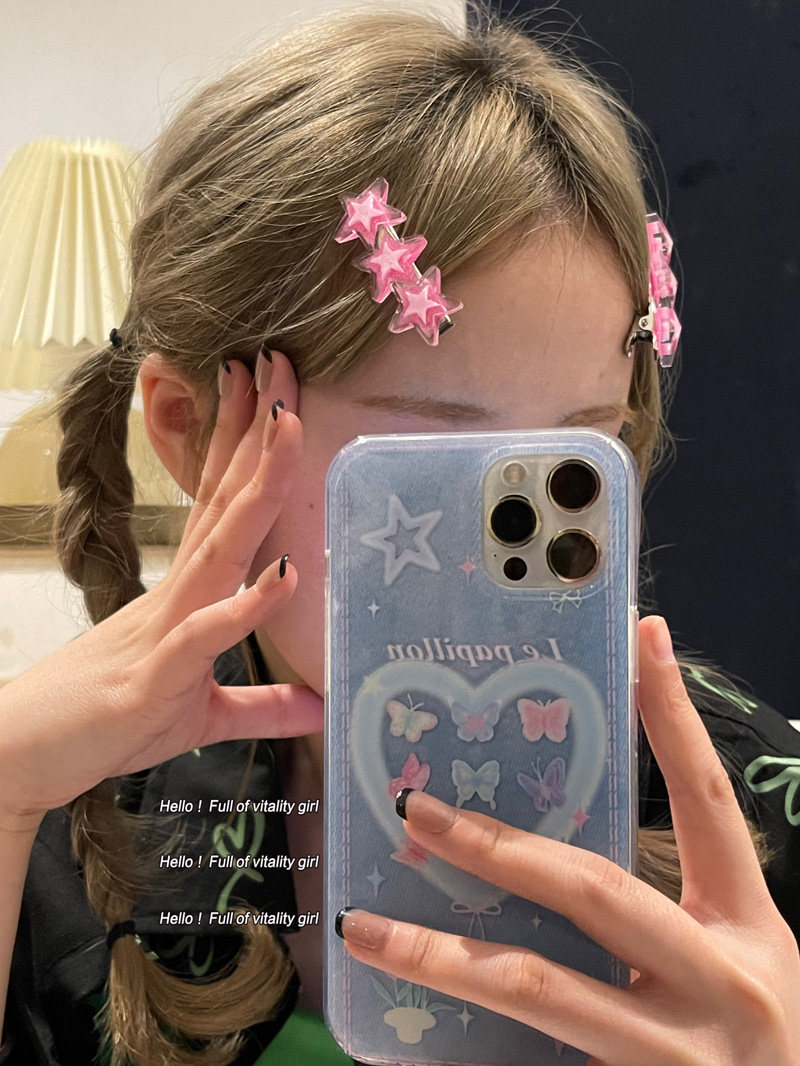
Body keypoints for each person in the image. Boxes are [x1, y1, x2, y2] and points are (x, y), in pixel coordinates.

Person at [1, 3, 799, 1064]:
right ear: (191, 431)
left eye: (580, 455)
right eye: (434, 457)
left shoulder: (766, 816)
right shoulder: (58, 811)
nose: (500, 565)